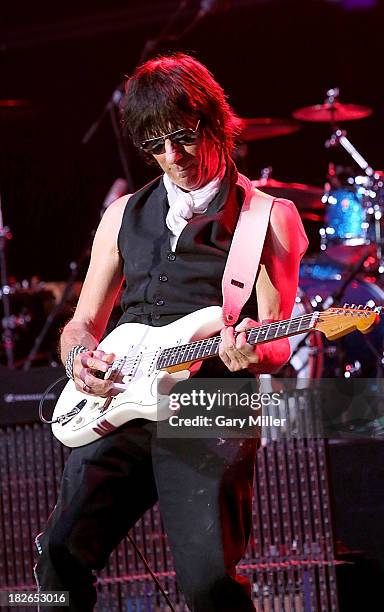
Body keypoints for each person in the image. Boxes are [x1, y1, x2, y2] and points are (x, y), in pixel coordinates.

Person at [34, 53, 308, 611]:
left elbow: (279, 343)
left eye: (182, 136)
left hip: (210, 402)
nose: (172, 157)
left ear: (213, 120)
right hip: (123, 398)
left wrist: (250, 348)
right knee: (58, 564)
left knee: (209, 586)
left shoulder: (269, 218)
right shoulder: (121, 214)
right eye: (154, 146)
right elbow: (83, 323)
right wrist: (79, 357)